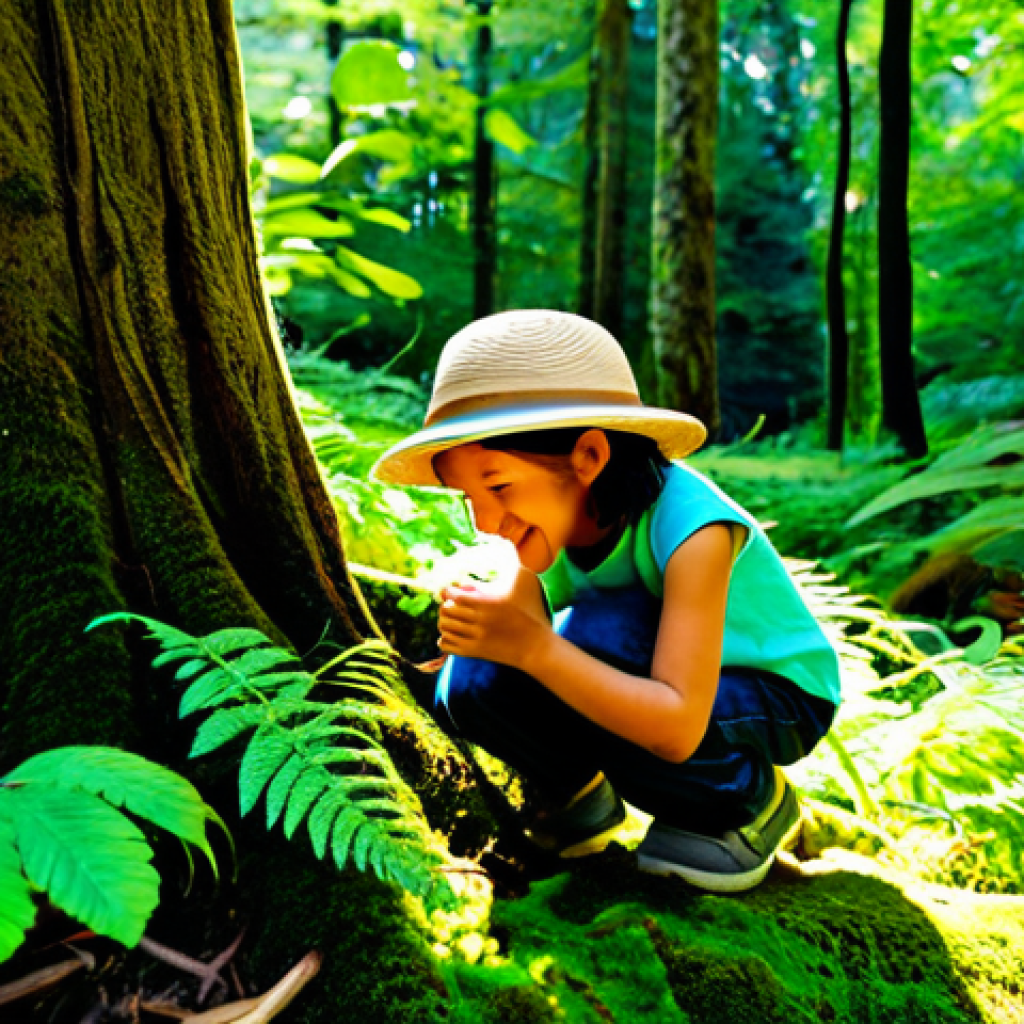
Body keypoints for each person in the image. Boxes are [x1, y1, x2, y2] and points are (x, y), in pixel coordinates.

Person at [372, 310, 840, 892]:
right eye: (469, 497)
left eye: (498, 486)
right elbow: (509, 647)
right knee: (473, 679)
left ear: (588, 458)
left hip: (766, 690)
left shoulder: (694, 530)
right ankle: (579, 796)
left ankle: (747, 799)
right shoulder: (548, 523)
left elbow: (674, 723)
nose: (487, 521)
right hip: (644, 668)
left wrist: (536, 648)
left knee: (596, 631)